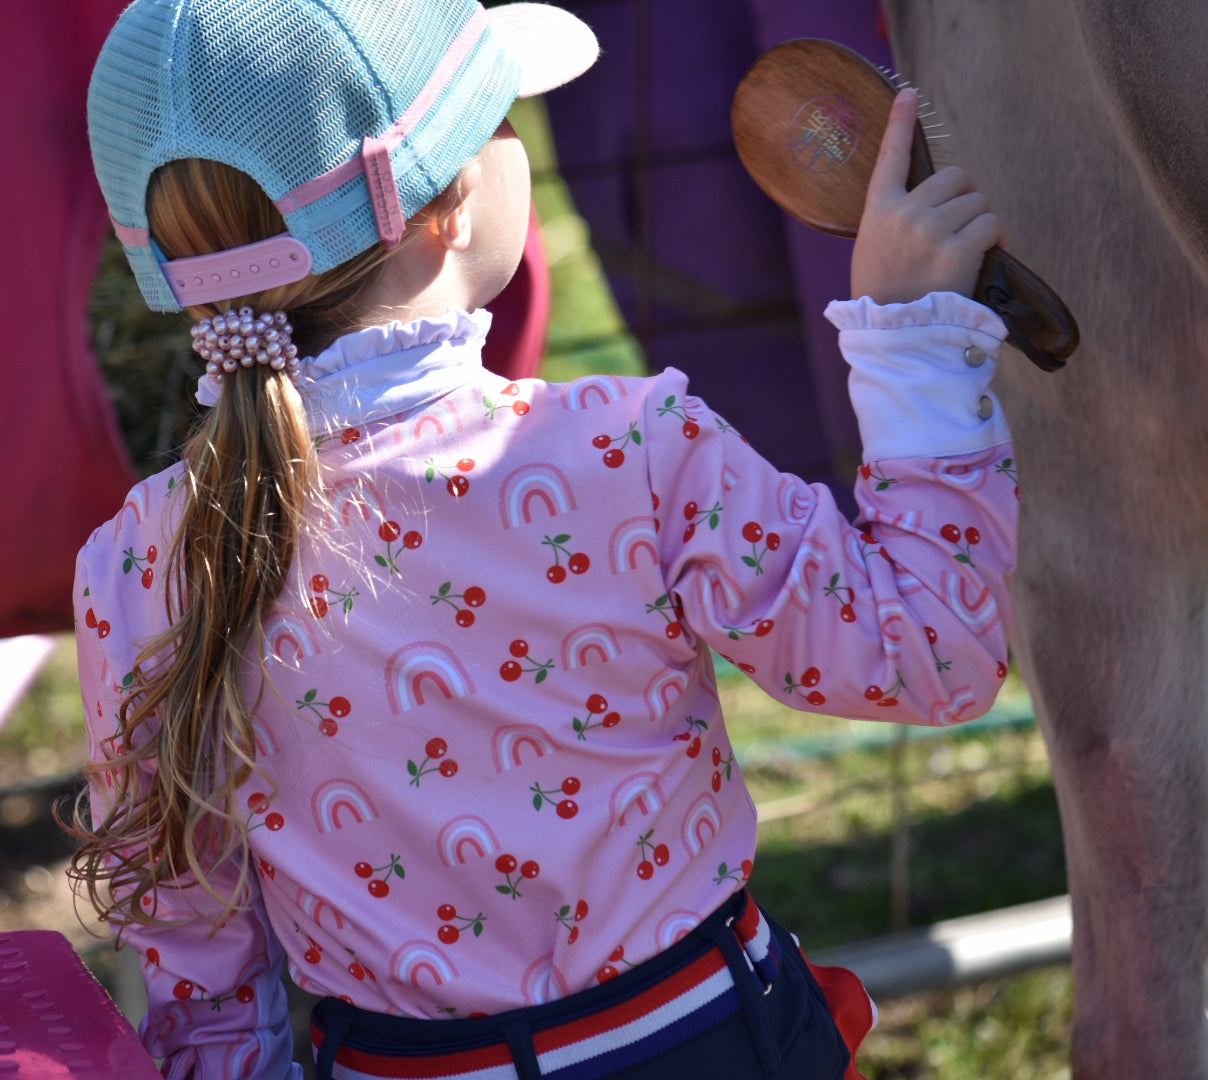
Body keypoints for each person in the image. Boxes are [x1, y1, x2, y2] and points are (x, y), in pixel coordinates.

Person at [67, 1, 1016, 1077]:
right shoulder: (629, 453)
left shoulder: (142, 562)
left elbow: (199, 973)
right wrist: (912, 347)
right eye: (503, 118)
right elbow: (931, 654)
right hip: (709, 1046)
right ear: (452, 205)